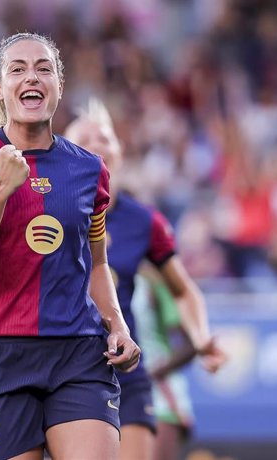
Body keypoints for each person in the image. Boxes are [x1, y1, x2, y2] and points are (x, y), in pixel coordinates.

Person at [0, 33, 141, 460]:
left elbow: (97, 264)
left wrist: (117, 326)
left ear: (58, 86)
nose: (33, 76)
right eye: (18, 69)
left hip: (77, 354)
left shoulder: (89, 170)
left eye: (44, 68)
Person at [64, 99, 227, 460]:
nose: (97, 143)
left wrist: (201, 338)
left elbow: (183, 290)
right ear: (64, 150)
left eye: (105, 137)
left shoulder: (143, 221)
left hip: (124, 365)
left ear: (120, 152)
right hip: (63, 365)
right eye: (85, 136)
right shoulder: (45, 208)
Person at [131, 271, 200, 460]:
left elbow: (191, 344)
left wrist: (150, 373)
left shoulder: (153, 282)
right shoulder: (95, 273)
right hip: (113, 389)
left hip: (158, 393)